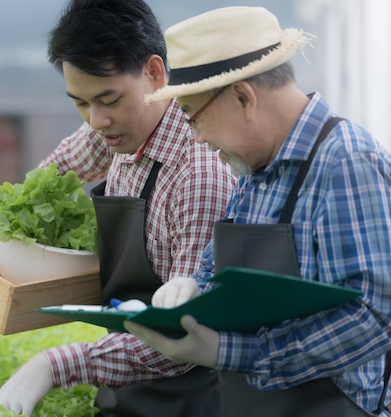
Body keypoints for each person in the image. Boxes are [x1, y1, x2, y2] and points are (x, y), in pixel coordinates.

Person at [125, 6, 391, 417]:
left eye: (193, 119)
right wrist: (193, 287)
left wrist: (237, 351)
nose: (197, 139)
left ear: (243, 98)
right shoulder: (252, 170)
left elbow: (375, 313)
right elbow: (218, 271)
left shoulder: (346, 161)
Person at [0, 1, 236, 416]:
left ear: (154, 73)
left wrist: (57, 365)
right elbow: (60, 169)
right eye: (80, 103)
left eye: (108, 99)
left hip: (188, 399)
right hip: (120, 389)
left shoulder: (199, 174)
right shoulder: (116, 130)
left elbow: (183, 334)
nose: (96, 120)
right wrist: (11, 223)